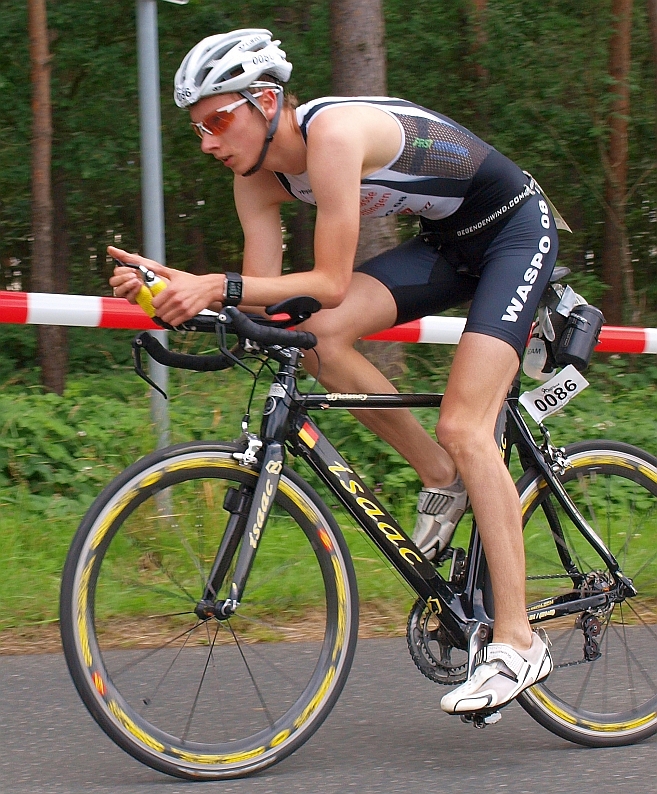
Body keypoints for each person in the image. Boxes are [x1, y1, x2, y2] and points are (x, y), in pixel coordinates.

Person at [110, 28, 556, 714]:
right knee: (311, 338)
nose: (207, 140)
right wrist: (175, 291)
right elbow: (273, 307)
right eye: (197, 127)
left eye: (218, 119)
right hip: (445, 244)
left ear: (265, 101)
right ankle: (440, 478)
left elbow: (323, 278)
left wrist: (213, 284)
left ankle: (518, 642)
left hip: (513, 230)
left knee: (467, 425)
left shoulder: (335, 135)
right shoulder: (253, 182)